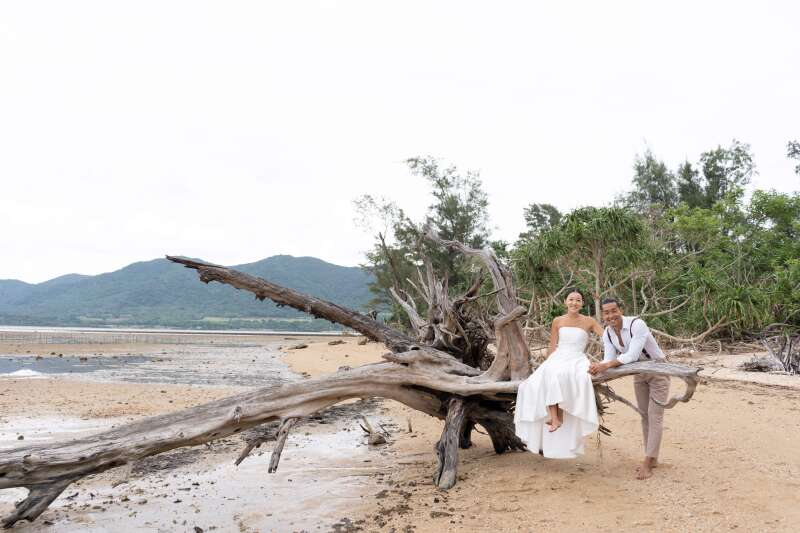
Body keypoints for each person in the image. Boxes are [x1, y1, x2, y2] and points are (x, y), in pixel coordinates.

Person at [588, 297, 670, 480]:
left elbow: (632, 355)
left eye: (614, 311)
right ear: (603, 315)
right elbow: (608, 358)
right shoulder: (607, 334)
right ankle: (653, 457)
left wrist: (605, 366)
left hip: (658, 370)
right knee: (644, 415)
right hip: (639, 373)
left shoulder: (637, 324)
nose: (611, 315)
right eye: (607, 312)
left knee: (655, 416)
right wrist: (597, 367)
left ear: (621, 310)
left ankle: (648, 462)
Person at [514, 289, 602, 459]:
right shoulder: (558, 320)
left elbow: (606, 336)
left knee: (559, 376)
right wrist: (546, 363)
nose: (574, 303)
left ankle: (557, 417)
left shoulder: (589, 321)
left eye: (578, 300)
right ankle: (556, 417)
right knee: (534, 382)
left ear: (582, 303)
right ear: (565, 302)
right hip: (558, 357)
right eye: (571, 299)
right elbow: (552, 345)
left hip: (576, 358)